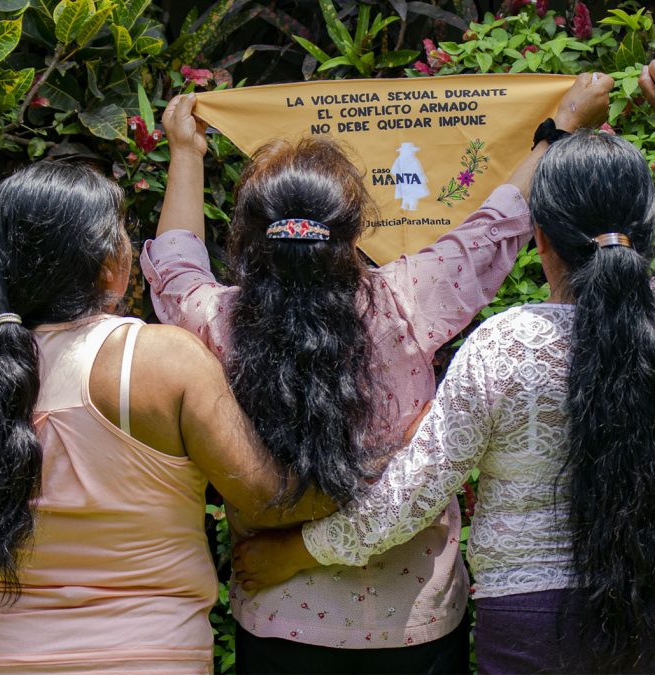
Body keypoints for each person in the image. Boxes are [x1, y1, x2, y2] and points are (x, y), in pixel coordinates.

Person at [233, 60, 655, 674]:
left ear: (540, 239)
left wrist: (297, 550)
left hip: (532, 632)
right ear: (648, 228)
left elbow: (411, 498)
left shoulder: (506, 345)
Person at [140, 75, 613, 673]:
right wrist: (564, 123)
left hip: (278, 620)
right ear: (355, 231)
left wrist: (186, 152)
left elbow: (176, 264)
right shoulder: (408, 299)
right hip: (414, 626)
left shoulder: (217, 321)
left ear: (252, 237)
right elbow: (499, 224)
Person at [0, 161, 330, 673]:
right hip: (146, 656)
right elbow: (270, 501)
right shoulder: (164, 362)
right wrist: (395, 473)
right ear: (111, 265)